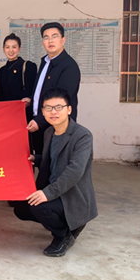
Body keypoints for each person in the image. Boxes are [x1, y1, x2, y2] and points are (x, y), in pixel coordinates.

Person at [14, 88, 97, 257]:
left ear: (69, 109)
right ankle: (64, 222)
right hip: (54, 189)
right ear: (43, 112)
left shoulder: (82, 136)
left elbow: (74, 171)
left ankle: (64, 234)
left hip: (71, 195)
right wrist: (35, 159)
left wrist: (47, 193)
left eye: (59, 107)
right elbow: (52, 159)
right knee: (21, 209)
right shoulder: (49, 132)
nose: (53, 112)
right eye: (48, 108)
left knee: (39, 207)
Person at [27, 22, 80, 155]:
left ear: (63, 40)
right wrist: (32, 100)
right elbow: (42, 91)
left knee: (57, 164)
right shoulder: (45, 62)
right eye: (46, 37)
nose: (50, 41)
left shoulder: (69, 66)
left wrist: (39, 121)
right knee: (41, 162)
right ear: (43, 42)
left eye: (54, 36)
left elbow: (60, 101)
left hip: (57, 128)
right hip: (40, 126)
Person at [0, 33, 37, 124]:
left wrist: (29, 99)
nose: (11, 50)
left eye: (14, 47)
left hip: (24, 114)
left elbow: (34, 90)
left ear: (19, 48)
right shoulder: (0, 71)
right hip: (6, 114)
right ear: (3, 49)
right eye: (7, 47)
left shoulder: (29, 66)